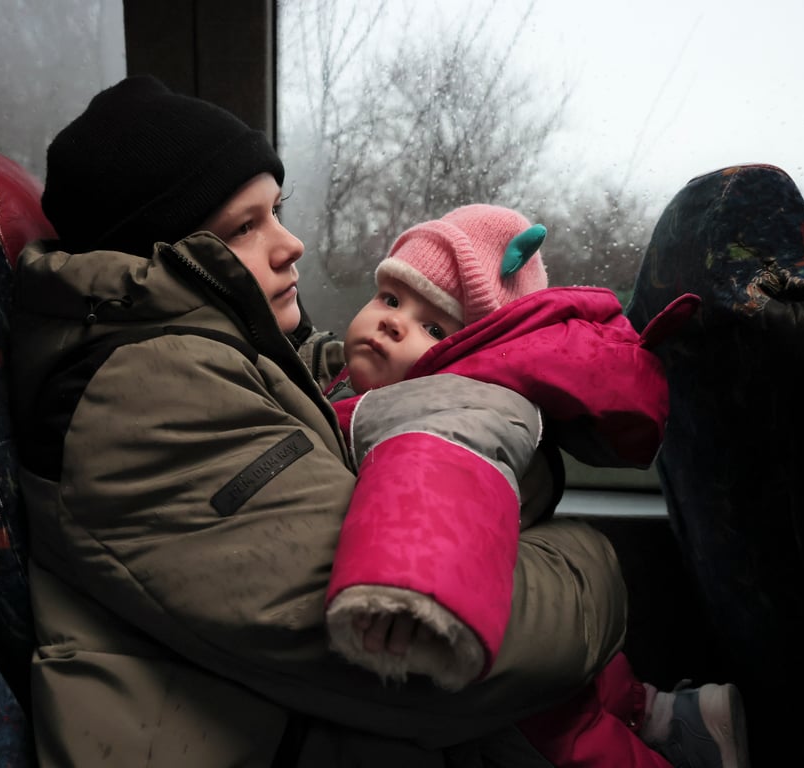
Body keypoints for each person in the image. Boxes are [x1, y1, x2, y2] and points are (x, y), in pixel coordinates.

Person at [9, 74, 629, 767]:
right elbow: (415, 648)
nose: (291, 244)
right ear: (153, 251)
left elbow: (366, 385)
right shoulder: (146, 394)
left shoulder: (235, 352)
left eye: (278, 210)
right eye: (244, 227)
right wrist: (593, 560)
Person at [318, 203, 749, 768]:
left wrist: (409, 593)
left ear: (469, 352)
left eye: (434, 328)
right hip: (527, 609)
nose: (393, 323)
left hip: (461, 618)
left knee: (560, 742)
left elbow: (435, 476)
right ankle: (673, 718)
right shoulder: (364, 379)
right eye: (391, 299)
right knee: (586, 699)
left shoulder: (451, 402)